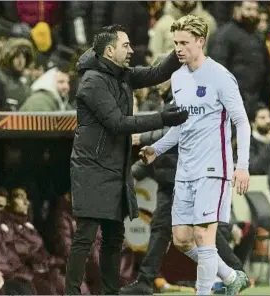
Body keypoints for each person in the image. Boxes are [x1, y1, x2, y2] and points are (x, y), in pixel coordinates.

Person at [65, 24, 189, 295]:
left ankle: (110, 293)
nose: (132, 50)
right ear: (110, 51)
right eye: (126, 46)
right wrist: (162, 118)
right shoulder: (91, 82)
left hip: (114, 168)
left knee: (113, 237)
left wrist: (180, 46)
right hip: (91, 168)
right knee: (84, 238)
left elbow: (159, 72)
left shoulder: (122, 75)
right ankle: (71, 293)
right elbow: (118, 123)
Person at [139, 15, 251, 295]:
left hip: (214, 167)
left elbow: (242, 122)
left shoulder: (220, 76)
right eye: (176, 43)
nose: (178, 48)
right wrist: (157, 148)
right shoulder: (177, 78)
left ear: (201, 42)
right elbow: (180, 128)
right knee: (182, 240)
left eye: (184, 43)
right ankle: (230, 276)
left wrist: (243, 166)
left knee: (204, 236)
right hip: (185, 169)